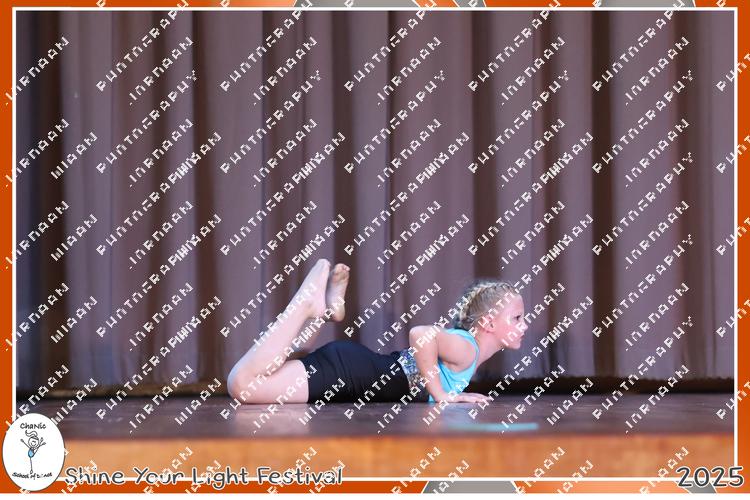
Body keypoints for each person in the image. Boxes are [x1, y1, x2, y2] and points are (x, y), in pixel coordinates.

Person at [227, 258, 528, 405]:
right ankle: (306, 305)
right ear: (488, 323)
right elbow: (421, 334)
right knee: (243, 385)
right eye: (516, 318)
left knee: (271, 368)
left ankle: (324, 313)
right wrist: (441, 395)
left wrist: (447, 393)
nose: (524, 325)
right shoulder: (467, 349)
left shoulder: (468, 350)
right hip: (351, 374)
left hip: (354, 368)